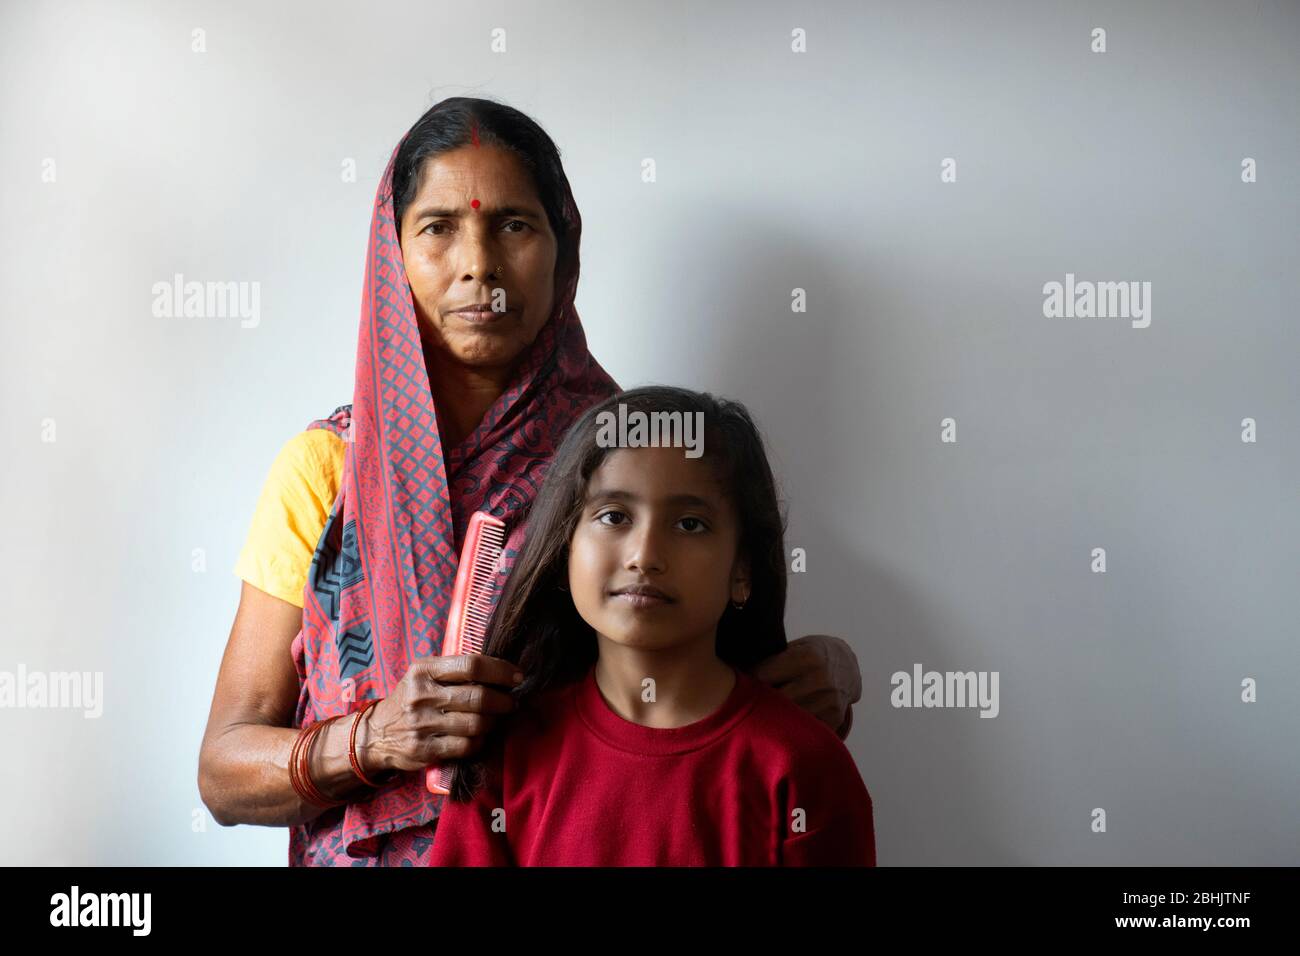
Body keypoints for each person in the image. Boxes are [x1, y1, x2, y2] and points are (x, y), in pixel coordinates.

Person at [198, 97, 864, 866]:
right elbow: (223, 775)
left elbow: (713, 687)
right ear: (394, 258)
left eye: (514, 224)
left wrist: (832, 668)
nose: (478, 264)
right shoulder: (326, 470)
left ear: (563, 250)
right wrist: (375, 737)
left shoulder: (628, 460)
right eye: (438, 227)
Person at [428, 386, 875, 866]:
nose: (645, 557)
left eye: (689, 525)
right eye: (614, 516)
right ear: (564, 554)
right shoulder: (505, 755)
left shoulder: (803, 765)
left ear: (742, 571)